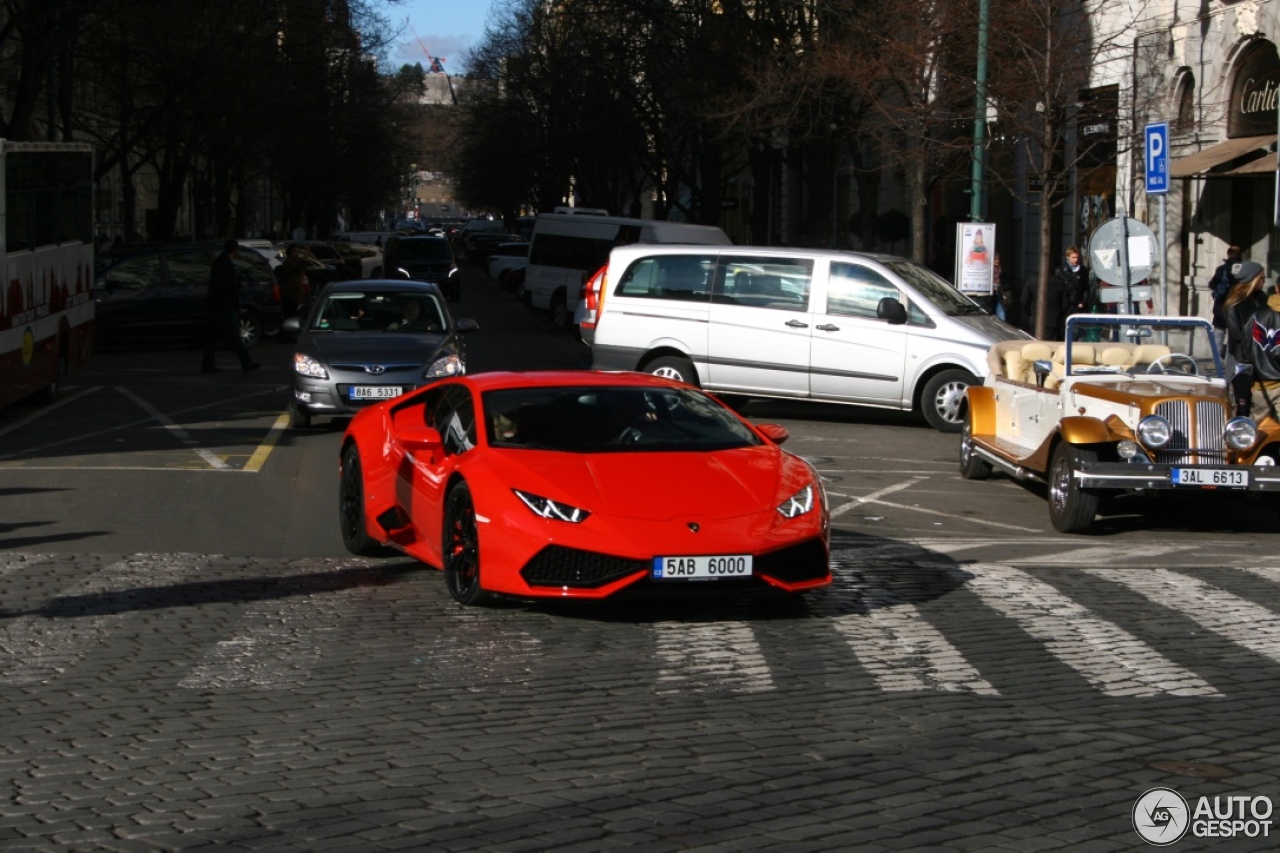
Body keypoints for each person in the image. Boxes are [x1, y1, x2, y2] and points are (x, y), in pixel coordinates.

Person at [201, 239, 261, 373]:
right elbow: (223, 286)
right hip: (224, 305)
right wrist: (238, 285)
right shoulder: (223, 264)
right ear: (235, 250)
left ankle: (207, 364)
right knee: (233, 335)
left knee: (214, 336)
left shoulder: (221, 262)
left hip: (220, 305)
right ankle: (246, 362)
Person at [1224, 260, 1269, 415]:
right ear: (1253, 279)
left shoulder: (1263, 299)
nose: (1264, 281)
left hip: (1262, 359)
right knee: (1243, 405)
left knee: (1262, 404)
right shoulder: (1234, 301)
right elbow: (1237, 334)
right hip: (1241, 360)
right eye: (1262, 278)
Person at [1019, 265, 1070, 340]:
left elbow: (1024, 301)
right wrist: (1060, 315)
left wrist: (1031, 313)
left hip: (1035, 319)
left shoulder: (1031, 282)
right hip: (1054, 320)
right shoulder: (1060, 282)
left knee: (1035, 345)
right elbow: (1065, 304)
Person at [1209, 245, 1242, 356]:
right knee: (1233, 336)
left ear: (1228, 254)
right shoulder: (1245, 269)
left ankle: (1216, 360)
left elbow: (1212, 284)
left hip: (1221, 305)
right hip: (1238, 305)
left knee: (1219, 333)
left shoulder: (1222, 269)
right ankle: (1231, 360)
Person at [276, 245, 310, 339]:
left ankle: (288, 334)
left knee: (292, 314)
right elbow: (294, 270)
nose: (296, 253)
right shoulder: (288, 263)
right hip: (289, 292)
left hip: (295, 291)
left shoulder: (296, 262)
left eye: (297, 251)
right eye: (294, 251)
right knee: (289, 314)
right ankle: (284, 335)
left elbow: (300, 271)